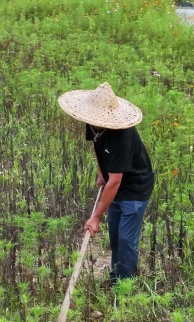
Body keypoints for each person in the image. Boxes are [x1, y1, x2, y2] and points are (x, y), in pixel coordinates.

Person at [58, 82, 155, 284]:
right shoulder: (93, 122)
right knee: (115, 235)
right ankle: (116, 277)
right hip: (115, 182)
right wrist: (102, 171)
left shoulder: (123, 135)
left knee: (126, 239)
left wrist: (95, 217)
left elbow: (116, 181)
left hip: (135, 188)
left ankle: (125, 286)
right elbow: (97, 145)